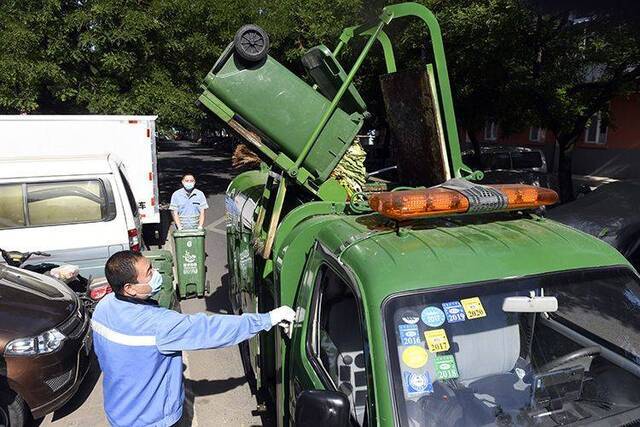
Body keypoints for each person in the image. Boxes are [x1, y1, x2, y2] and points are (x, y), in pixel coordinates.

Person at [91, 251, 295, 427]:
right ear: (129, 288)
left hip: (119, 411)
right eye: (149, 273)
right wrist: (269, 318)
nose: (157, 275)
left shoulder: (104, 307)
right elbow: (211, 330)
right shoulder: (159, 324)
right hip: (152, 419)